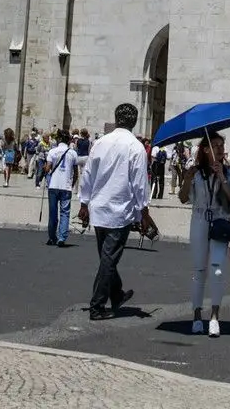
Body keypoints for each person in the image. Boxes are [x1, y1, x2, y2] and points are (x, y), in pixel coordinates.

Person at [76, 105, 157, 320]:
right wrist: (144, 212)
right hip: (119, 212)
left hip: (98, 209)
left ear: (116, 118)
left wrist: (84, 204)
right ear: (135, 121)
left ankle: (117, 294)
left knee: (106, 257)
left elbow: (88, 174)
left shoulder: (100, 143)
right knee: (108, 260)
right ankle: (97, 306)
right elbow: (140, 183)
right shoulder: (135, 147)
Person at [177, 131, 230, 337]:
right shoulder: (195, 172)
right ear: (205, 149)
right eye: (216, 145)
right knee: (199, 270)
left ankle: (214, 316)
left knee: (217, 269)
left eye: (222, 145)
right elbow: (184, 198)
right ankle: (196, 315)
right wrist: (187, 178)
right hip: (200, 219)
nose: (221, 149)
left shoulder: (229, 172)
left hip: (220, 220)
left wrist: (221, 177)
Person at [42, 129, 75, 247]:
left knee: (53, 213)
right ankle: (62, 237)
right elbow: (75, 172)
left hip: (54, 185)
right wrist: (72, 183)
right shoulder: (72, 153)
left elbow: (48, 168)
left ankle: (52, 237)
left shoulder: (52, 151)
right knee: (65, 213)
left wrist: (45, 168)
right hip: (66, 186)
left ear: (59, 139)